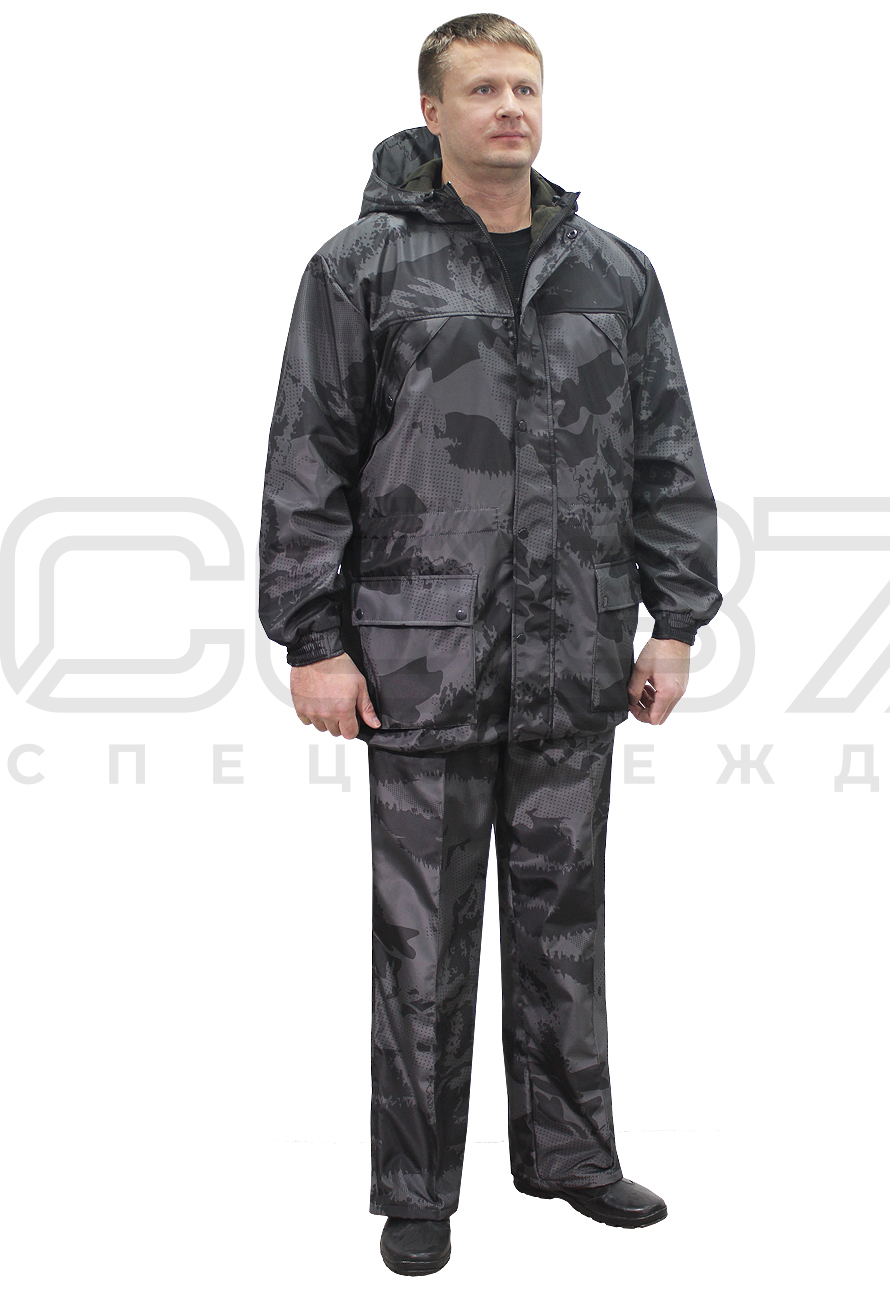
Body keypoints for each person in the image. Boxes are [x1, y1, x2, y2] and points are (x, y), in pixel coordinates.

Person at [257, 12, 722, 1277]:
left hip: (576, 651)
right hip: (420, 659)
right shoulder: (361, 267)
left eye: (524, 86)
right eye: (481, 90)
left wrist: (676, 620)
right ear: (433, 111)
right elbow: (309, 454)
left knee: (564, 920)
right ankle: (417, 1188)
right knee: (421, 938)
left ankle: (568, 1155)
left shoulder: (612, 273)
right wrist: (311, 638)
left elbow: (664, 450)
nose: (509, 107)